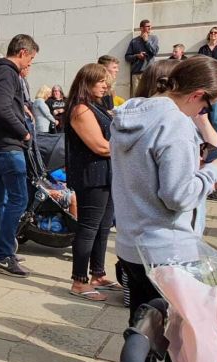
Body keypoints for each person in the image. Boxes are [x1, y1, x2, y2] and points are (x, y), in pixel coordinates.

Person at [111, 55, 217, 362]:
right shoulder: (176, 124)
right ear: (198, 94)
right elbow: (178, 195)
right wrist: (213, 172)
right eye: (206, 105)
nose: (205, 112)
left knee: (142, 334)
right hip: (169, 251)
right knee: (183, 346)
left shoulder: (130, 113)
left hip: (134, 244)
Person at [0, 34, 39, 277]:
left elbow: (4, 106)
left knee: (1, 199)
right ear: (23, 52)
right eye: (32, 58)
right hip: (8, 146)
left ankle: (0, 252)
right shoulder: (7, 72)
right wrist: (24, 132)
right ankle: (4, 254)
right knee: (18, 199)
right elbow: (3, 108)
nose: (30, 64)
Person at [65, 64, 119, 302]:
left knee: (103, 226)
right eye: (101, 81)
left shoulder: (97, 107)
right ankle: (79, 281)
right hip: (91, 176)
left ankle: (97, 274)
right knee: (88, 228)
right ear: (87, 82)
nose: (106, 85)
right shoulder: (81, 110)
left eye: (107, 81)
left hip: (105, 174)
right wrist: (130, 148)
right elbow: (99, 146)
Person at [125, 19, 159, 95]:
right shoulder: (134, 41)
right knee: (136, 96)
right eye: (147, 26)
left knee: (149, 96)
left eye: (150, 26)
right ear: (141, 28)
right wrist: (137, 56)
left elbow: (154, 52)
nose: (150, 28)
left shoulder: (154, 38)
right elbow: (127, 57)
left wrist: (146, 41)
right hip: (136, 73)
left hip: (149, 73)